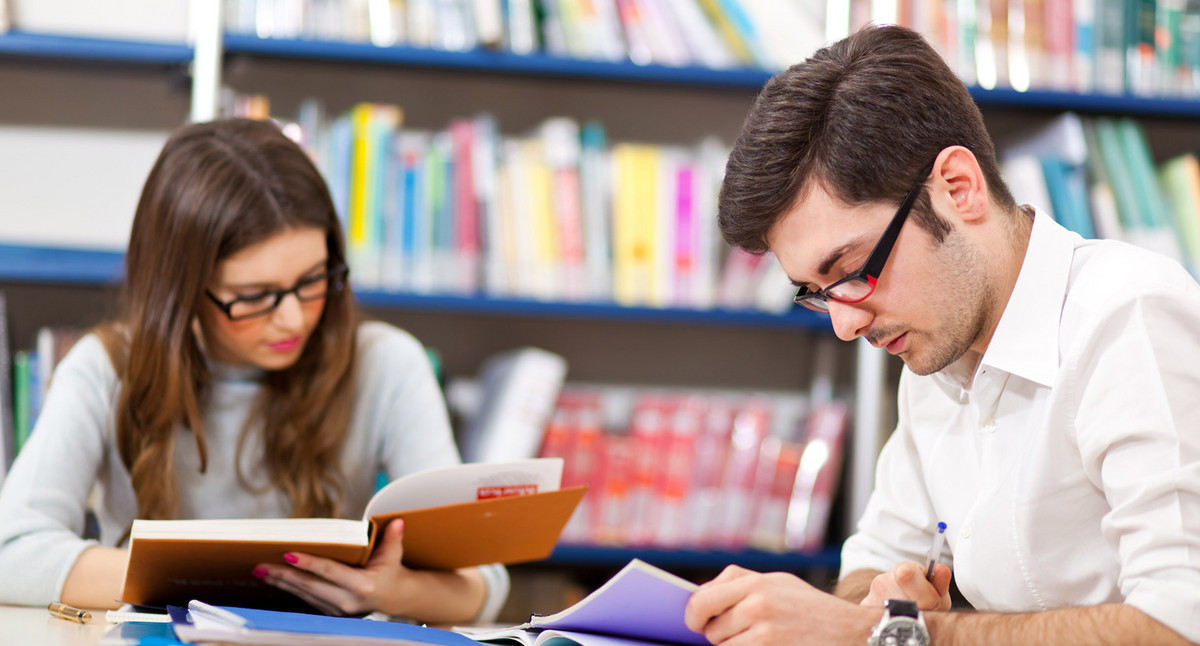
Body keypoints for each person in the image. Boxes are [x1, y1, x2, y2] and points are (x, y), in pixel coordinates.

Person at [683, 25, 1200, 646]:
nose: (846, 325)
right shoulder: (936, 353)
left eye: (850, 272)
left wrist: (901, 631)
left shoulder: (1129, 315)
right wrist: (878, 599)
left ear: (958, 188)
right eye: (818, 294)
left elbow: (1180, 621)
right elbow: (870, 564)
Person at [0, 118, 508, 624]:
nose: (293, 318)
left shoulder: (389, 363)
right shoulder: (106, 368)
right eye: (255, 297)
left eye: (313, 280)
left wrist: (390, 591)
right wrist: (211, 581)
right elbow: (11, 552)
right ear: (181, 292)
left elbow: (485, 582)